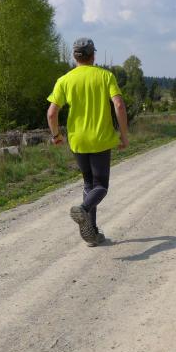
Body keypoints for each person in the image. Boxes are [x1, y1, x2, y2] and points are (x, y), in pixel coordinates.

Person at [46, 37, 129, 246]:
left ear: (75, 56)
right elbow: (119, 105)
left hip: (78, 140)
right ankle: (83, 209)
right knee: (101, 186)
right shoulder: (105, 76)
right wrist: (124, 135)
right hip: (100, 139)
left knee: (88, 184)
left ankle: (92, 234)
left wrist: (56, 136)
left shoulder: (65, 80)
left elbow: (51, 113)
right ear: (93, 55)